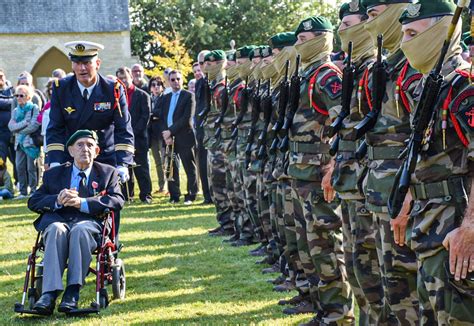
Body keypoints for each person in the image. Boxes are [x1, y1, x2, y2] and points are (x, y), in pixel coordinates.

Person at [396, 1, 473, 323]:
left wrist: (470, 227)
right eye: (402, 34)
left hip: (455, 225)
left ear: (443, 31)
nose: (405, 44)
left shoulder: (465, 86)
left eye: (413, 33)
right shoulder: (428, 86)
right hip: (429, 225)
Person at [286, 16, 354, 325]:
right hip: (302, 172)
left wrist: (333, 165)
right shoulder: (308, 74)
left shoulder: (327, 77)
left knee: (325, 245)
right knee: (309, 245)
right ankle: (323, 309)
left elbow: (345, 123)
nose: (298, 45)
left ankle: (339, 314)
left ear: (320, 40)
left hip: (318, 175)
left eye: (304, 39)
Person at [329, 1, 392, 324]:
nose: (345, 31)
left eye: (351, 23)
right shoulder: (358, 70)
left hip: (375, 187)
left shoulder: (380, 70)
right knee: (360, 270)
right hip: (354, 184)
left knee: (380, 278)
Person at [28, 129, 124, 315]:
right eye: (80, 145)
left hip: (89, 222)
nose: (85, 149)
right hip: (60, 220)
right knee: (55, 229)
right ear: (70, 150)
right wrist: (57, 199)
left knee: (80, 230)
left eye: (90, 145)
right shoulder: (54, 174)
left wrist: (84, 203)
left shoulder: (107, 173)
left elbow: (117, 200)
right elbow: (33, 201)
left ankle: (72, 292)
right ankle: (49, 293)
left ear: (97, 151)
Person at [45, 41, 134, 187]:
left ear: (97, 63)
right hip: (72, 158)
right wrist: (55, 161)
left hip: (104, 157)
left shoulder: (113, 90)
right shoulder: (61, 89)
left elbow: (123, 128)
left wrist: (123, 162)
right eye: (77, 62)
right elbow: (55, 127)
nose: (81, 68)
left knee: (106, 206)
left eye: (87, 62)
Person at [160, 70, 198, 204]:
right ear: (169, 82)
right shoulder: (165, 97)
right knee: (171, 168)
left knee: (189, 167)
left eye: (178, 79)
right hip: (168, 138)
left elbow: (186, 119)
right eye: (173, 80)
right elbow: (161, 117)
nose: (176, 82)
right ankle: (174, 196)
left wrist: (170, 131)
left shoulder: (189, 96)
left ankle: (191, 195)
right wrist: (166, 134)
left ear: (182, 80)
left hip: (184, 137)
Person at [116, 67, 152, 204]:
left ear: (131, 76)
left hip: (139, 138)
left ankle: (146, 195)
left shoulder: (143, 95)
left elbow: (145, 117)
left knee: (142, 168)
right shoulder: (117, 96)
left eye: (125, 77)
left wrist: (131, 133)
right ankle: (127, 195)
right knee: (126, 168)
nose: (124, 81)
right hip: (123, 141)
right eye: (120, 78)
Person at [8, 85, 40, 199]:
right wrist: (24, 123)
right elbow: (11, 126)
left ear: (28, 97)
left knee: (31, 168)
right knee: (19, 167)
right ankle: (23, 192)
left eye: (21, 95)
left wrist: (19, 130)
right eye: (17, 95)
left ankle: (33, 191)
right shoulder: (16, 110)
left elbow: (34, 125)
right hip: (18, 144)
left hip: (30, 143)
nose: (18, 98)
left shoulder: (34, 108)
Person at [193, 54, 213, 205]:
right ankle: (207, 195)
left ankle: (214, 195)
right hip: (201, 129)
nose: (203, 65)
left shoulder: (215, 81)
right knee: (203, 163)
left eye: (206, 62)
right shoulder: (199, 83)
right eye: (200, 62)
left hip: (213, 130)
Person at [148, 76, 166, 193]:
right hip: (152, 135)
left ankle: (168, 186)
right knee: (157, 162)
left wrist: (152, 114)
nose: (156, 87)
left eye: (158, 84)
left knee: (165, 161)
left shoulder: (165, 98)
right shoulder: (148, 99)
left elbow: (162, 113)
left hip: (163, 134)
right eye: (153, 85)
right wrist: (153, 115)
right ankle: (161, 186)